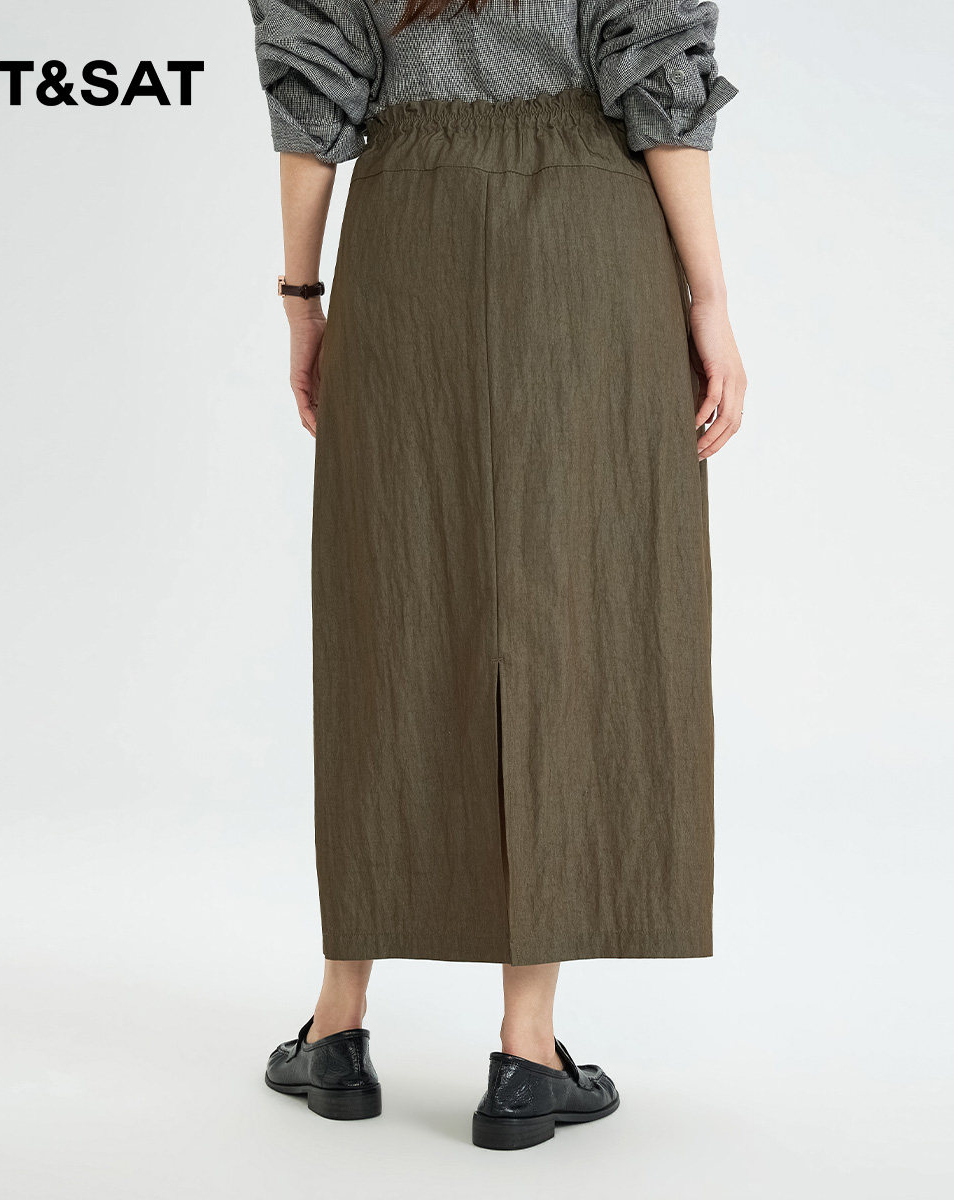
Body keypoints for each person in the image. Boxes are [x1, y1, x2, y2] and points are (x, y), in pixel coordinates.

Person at [247, 0, 746, 1151]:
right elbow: (659, 81)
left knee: (392, 603)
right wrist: (710, 301)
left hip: (405, 228)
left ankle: (337, 1025)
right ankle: (526, 1053)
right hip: (587, 232)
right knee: (572, 596)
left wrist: (302, 299)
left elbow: (313, 98)